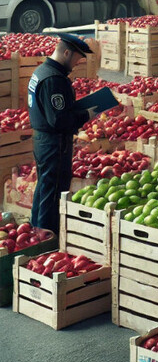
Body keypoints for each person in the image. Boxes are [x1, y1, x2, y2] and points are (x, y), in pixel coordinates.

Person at [28, 34, 98, 234]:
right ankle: (48, 236)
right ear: (66, 53)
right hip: (53, 142)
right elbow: (58, 120)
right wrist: (86, 114)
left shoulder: (41, 71)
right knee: (54, 191)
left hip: (42, 140)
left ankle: (37, 231)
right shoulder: (54, 80)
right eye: (77, 58)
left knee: (44, 187)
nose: (77, 63)